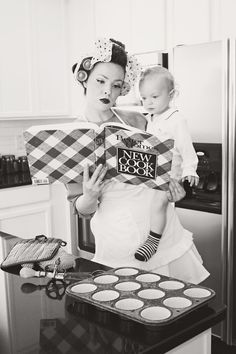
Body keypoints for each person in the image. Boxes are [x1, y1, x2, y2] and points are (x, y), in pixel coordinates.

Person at [67, 37, 209, 284]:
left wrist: (176, 190)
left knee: (182, 314)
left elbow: (166, 163)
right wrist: (89, 196)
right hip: (119, 244)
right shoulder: (71, 139)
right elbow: (81, 208)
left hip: (165, 236)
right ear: (84, 79)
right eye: (100, 81)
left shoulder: (139, 120)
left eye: (116, 85)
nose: (107, 92)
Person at [134, 66, 199, 262]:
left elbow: (187, 148)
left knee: (158, 203)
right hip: (153, 172)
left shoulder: (177, 120)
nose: (148, 102)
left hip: (169, 174)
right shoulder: (151, 117)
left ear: (171, 95)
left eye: (154, 96)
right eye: (144, 98)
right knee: (149, 204)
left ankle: (153, 241)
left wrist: (190, 170)